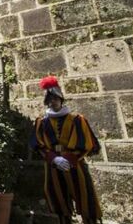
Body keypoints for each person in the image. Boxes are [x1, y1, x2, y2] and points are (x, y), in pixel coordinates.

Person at [29, 76, 102, 224]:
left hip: (75, 164)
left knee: (84, 196)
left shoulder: (77, 119)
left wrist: (69, 159)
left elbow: (85, 143)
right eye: (49, 99)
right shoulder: (41, 123)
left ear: (61, 99)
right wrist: (54, 158)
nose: (52, 102)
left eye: (55, 99)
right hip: (53, 165)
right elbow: (39, 144)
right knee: (58, 199)